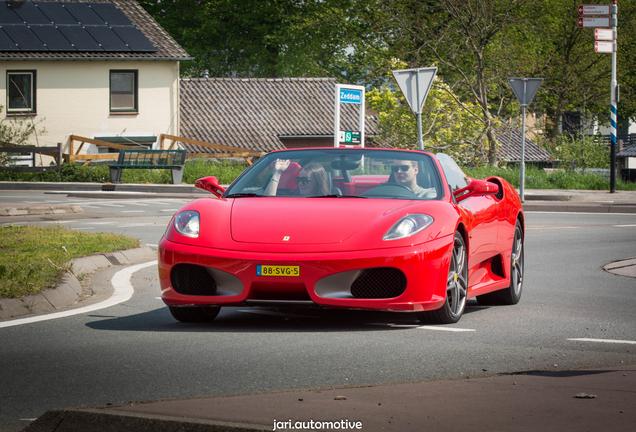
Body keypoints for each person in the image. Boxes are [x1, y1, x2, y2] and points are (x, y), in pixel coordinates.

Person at [265, 160, 330, 196]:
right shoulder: (294, 200)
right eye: (298, 180)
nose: (300, 184)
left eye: (305, 180)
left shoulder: (327, 203)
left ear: (317, 182)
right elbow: (268, 203)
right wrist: (277, 173)